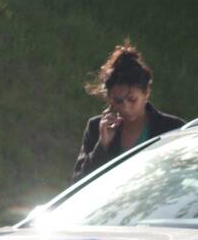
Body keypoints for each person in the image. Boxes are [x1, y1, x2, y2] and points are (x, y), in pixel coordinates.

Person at [72, 41, 184, 182]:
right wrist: (102, 145)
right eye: (118, 101)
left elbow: (183, 177)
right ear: (110, 99)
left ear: (147, 92)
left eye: (132, 99)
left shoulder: (171, 128)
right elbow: (78, 184)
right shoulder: (96, 128)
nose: (125, 107)